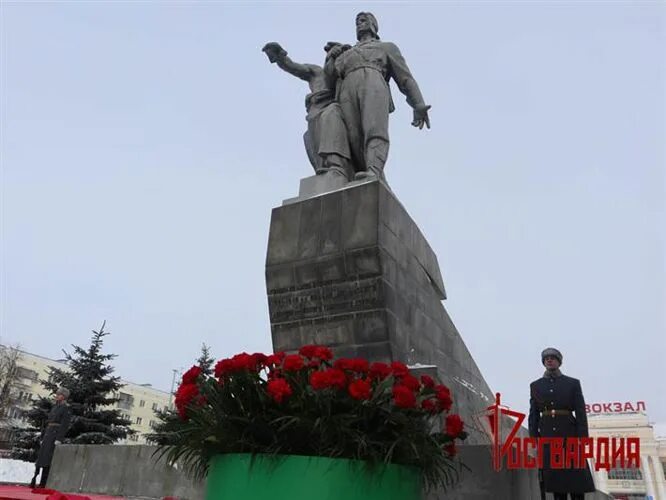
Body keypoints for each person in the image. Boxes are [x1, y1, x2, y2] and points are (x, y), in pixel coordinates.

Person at [325, 12, 431, 179]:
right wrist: (331, 57)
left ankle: (374, 170)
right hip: (347, 90)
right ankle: (361, 172)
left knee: (374, 128)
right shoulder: (346, 53)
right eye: (357, 22)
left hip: (374, 82)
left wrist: (418, 104)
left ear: (373, 25)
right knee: (353, 136)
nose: (359, 24)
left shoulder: (386, 47)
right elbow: (329, 80)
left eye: (363, 20)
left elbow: (405, 78)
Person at [262, 41, 352, 179]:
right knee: (310, 137)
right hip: (314, 111)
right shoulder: (317, 72)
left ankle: (337, 165)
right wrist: (279, 56)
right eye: (330, 55)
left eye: (336, 55)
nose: (333, 59)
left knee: (331, 117)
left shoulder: (345, 78)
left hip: (332, 109)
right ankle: (322, 168)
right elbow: (293, 67)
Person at [528, 348, 595, 500]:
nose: (549, 360)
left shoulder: (572, 383)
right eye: (546, 358)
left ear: (559, 361)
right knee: (555, 480)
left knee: (576, 478)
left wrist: (583, 437)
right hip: (548, 436)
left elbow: (580, 412)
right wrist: (533, 436)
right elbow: (533, 413)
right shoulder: (535, 386)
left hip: (569, 433)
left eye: (553, 357)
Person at [30, 386, 72, 489]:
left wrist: (59, 438)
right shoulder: (55, 407)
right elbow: (49, 422)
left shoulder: (65, 408)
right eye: (57, 394)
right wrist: (43, 436)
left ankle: (44, 482)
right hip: (48, 434)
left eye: (59, 394)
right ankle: (37, 479)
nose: (57, 396)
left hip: (54, 435)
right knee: (42, 457)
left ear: (64, 397)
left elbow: (65, 424)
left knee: (48, 459)